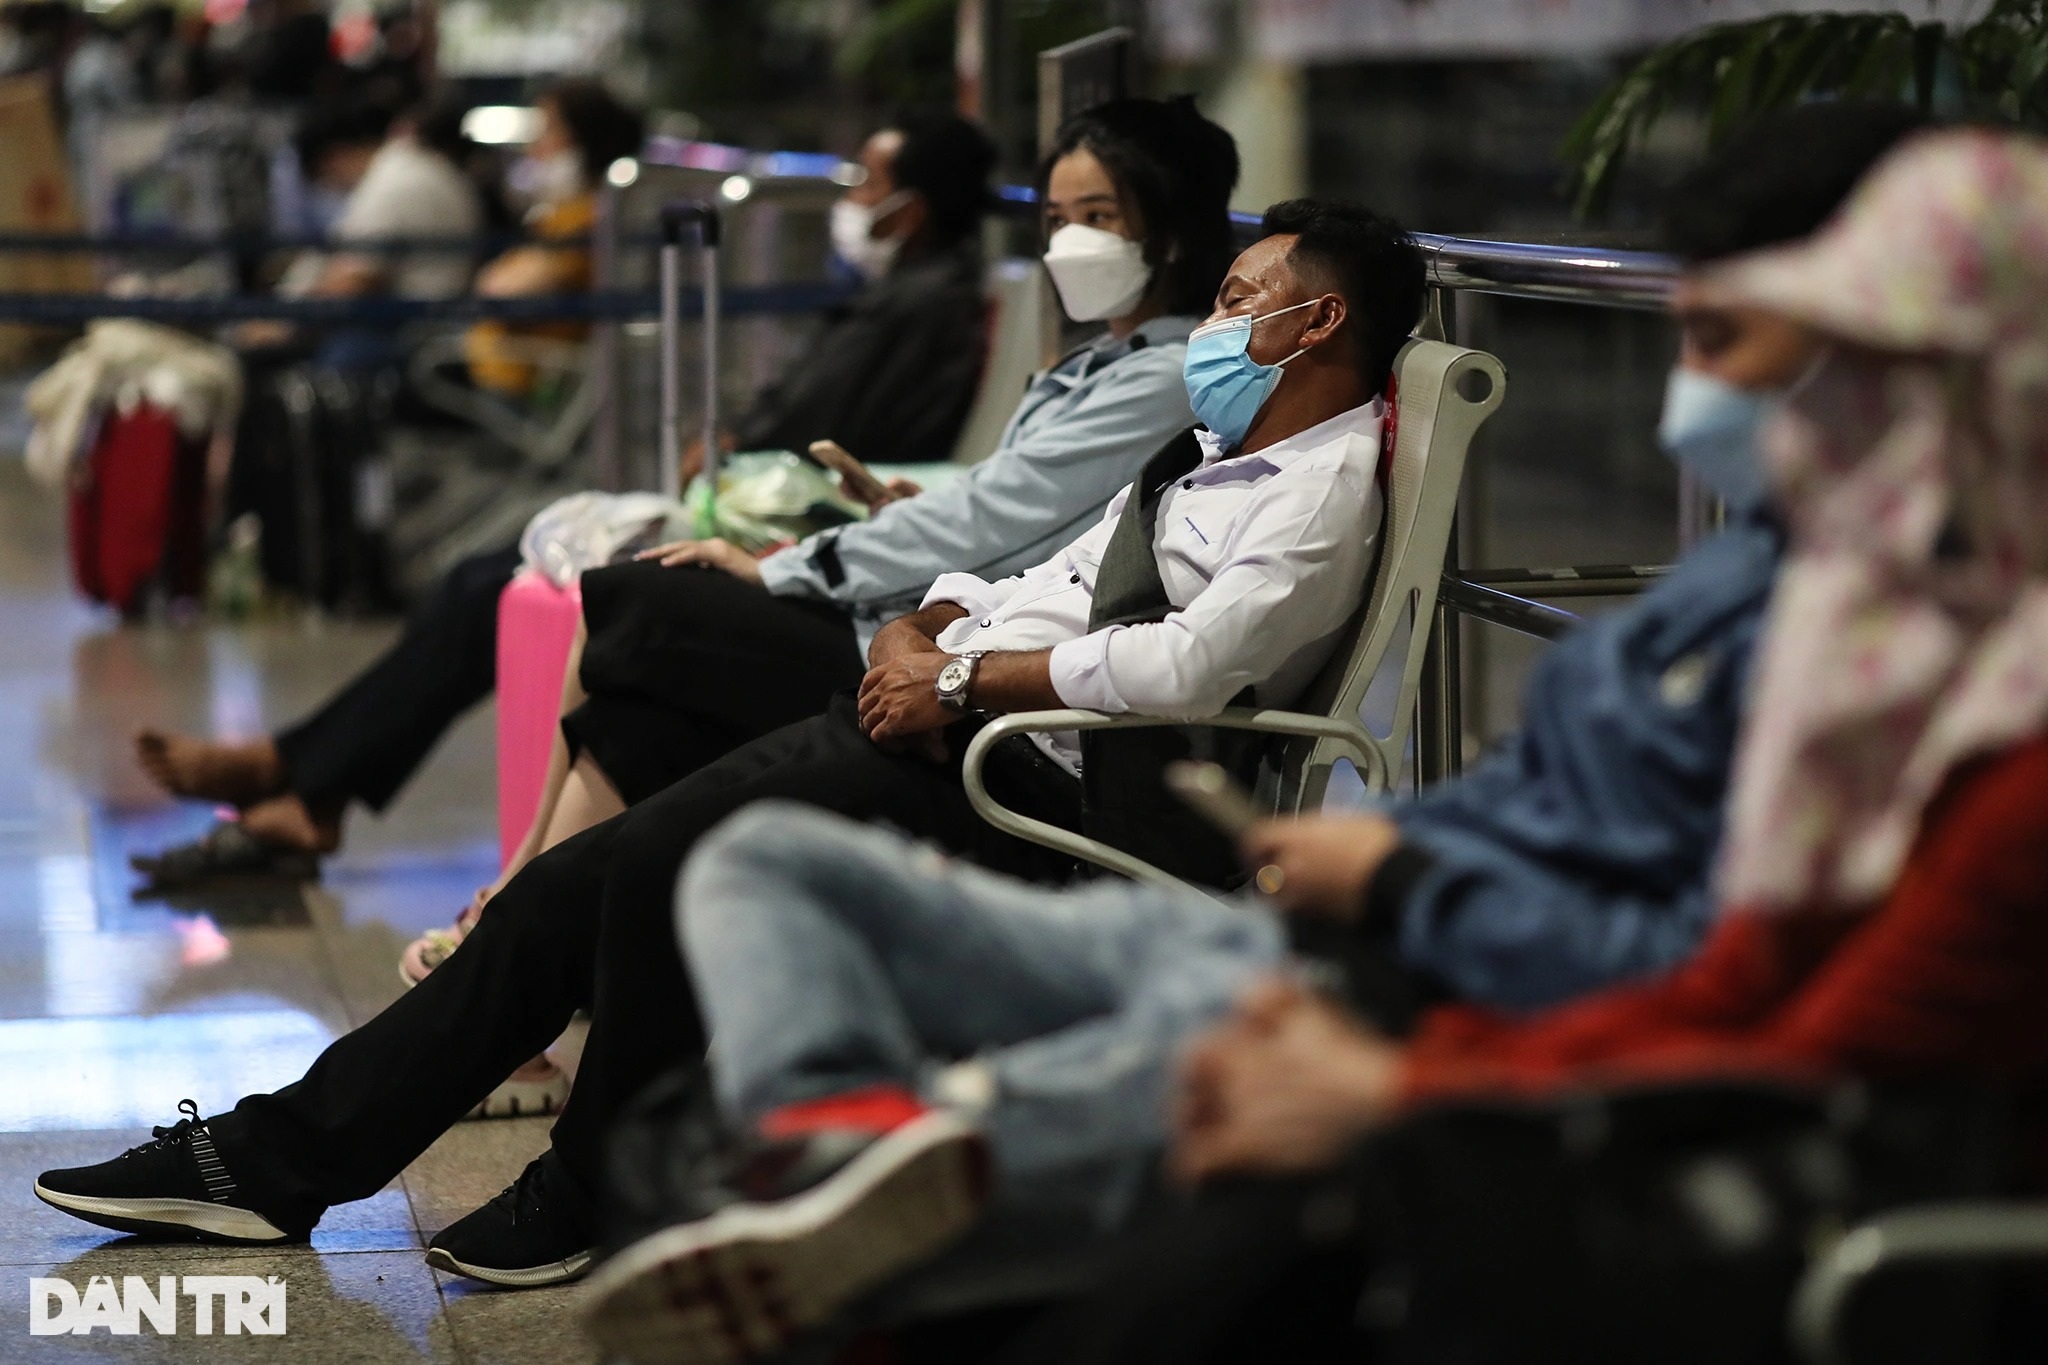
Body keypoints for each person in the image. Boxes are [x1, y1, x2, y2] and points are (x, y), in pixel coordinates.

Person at [559, 103, 1930, 1359]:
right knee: (769, 861)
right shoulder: (1753, 585)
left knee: (701, 758)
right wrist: (945, 629)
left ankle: (839, 1176)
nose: (1688, 401)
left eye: (1721, 343)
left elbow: (1733, 977)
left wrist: (1399, 956)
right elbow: (1540, 804)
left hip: (1398, 971)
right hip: (1335, 912)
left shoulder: (1907, 683)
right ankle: (829, 1155)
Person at [35, 196, 1422, 1301]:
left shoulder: (1321, 490)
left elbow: (1191, 665)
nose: (1218, 323)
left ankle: (539, 1179)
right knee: (591, 870)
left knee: (640, 862)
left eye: (1244, 301)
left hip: (1066, 778)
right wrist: (928, 632)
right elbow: (1047, 566)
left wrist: (960, 674)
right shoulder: (1203, 446)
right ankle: (314, 1159)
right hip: (980, 721)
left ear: (1319, 322)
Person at [994, 127, 2048, 1365]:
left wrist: (1402, 1083)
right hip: (1592, 1087)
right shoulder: (1860, 642)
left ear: (1969, 389)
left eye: (1821, 363)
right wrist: (1417, 1060)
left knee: (1208, 1191)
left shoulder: (1971, 722)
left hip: (1770, 1216)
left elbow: (1796, 1049)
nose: (1695, 406)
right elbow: (1737, 984)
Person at [128, 104, 1015, 878]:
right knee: (484, 578)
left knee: (489, 585)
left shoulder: (920, 305)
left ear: (916, 207)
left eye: (871, 185)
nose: (852, 202)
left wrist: (735, 450)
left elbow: (839, 427)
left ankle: (298, 776)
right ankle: (302, 780)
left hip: (798, 525)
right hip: (768, 503)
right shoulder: (899, 292)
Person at [462, 78, 645, 401]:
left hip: (524, 381)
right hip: (503, 370)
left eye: (548, 130)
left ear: (584, 141)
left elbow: (500, 289)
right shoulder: (564, 215)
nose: (534, 148)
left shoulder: (589, 217)